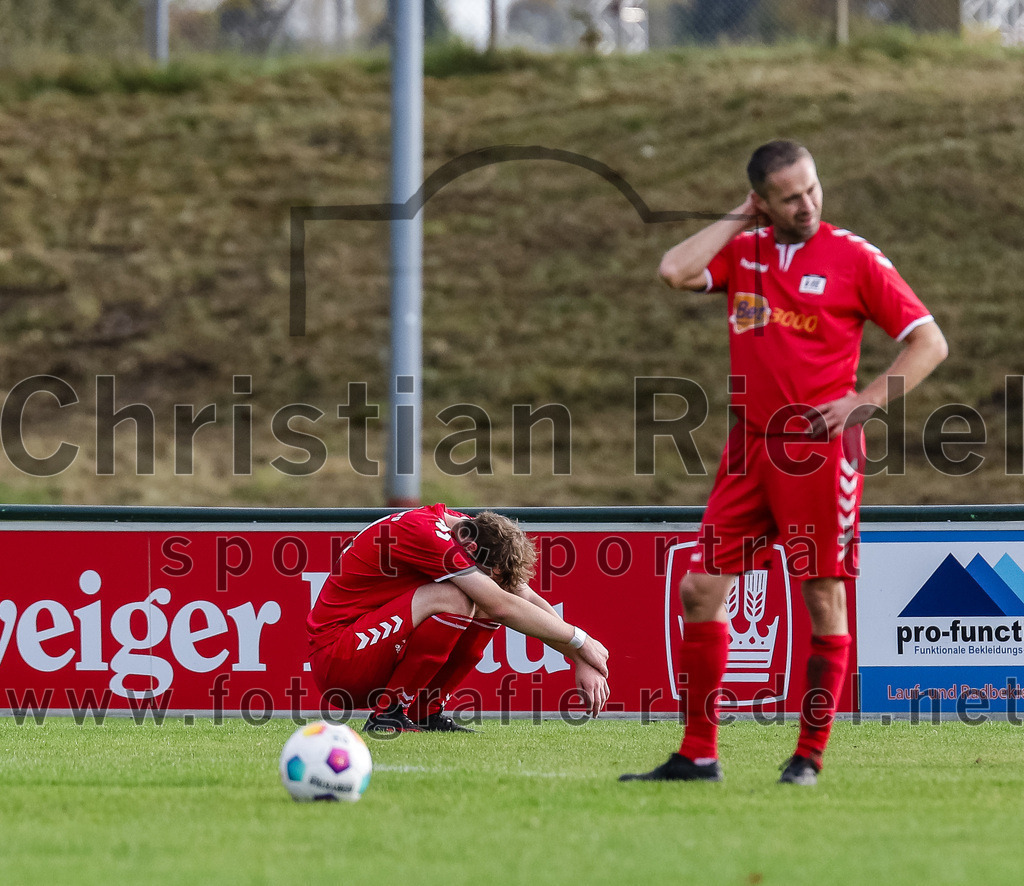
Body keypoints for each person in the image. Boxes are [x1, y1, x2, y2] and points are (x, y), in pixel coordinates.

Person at [621, 140, 947, 786]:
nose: (808, 204)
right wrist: (737, 218)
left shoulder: (854, 258)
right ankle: (699, 754)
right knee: (700, 588)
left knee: (822, 597)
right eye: (791, 196)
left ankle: (809, 758)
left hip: (818, 454)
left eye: (813, 188)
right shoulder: (744, 252)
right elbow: (674, 271)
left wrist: (867, 401)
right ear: (763, 202)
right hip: (748, 450)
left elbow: (928, 342)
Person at [307, 503, 610, 733]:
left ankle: (425, 712)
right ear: (472, 548)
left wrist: (579, 655)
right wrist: (581, 641)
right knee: (462, 598)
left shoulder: (463, 529)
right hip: (339, 662)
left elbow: (523, 598)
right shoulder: (426, 532)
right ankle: (388, 713)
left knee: (485, 598)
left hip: (365, 655)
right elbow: (500, 604)